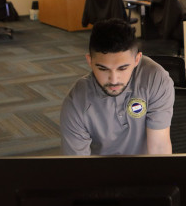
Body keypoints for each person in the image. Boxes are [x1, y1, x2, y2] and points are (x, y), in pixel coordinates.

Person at [60, 18, 175, 155]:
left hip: (146, 166)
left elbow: (159, 148)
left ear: (137, 59)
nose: (114, 80)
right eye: (103, 69)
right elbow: (79, 165)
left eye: (122, 68)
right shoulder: (76, 102)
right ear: (90, 61)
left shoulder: (155, 78)